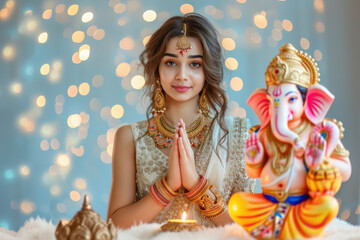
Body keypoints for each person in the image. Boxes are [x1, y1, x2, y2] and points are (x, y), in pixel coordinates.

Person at [107, 13, 255, 229]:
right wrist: (168, 187)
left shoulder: (237, 133)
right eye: (170, 63)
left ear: (207, 70)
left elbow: (250, 229)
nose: (182, 75)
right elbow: (113, 227)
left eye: (194, 64)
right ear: (157, 69)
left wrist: (196, 186)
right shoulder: (130, 138)